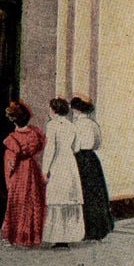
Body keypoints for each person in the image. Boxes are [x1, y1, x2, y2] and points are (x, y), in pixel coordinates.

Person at [0, 101, 46, 247]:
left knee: (18, 201)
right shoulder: (35, 133)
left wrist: (9, 177)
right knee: (34, 200)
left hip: (20, 171)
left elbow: (11, 162)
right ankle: (33, 236)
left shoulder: (13, 138)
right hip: (32, 168)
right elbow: (40, 146)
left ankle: (19, 237)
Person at [70, 95, 115, 240]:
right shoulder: (93, 124)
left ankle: (85, 229)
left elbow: (75, 146)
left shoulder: (75, 125)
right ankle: (99, 229)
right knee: (95, 194)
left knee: (82, 193)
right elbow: (98, 144)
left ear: (76, 110)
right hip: (92, 159)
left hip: (80, 160)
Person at [41, 97, 84, 246]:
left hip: (58, 163)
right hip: (70, 163)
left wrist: (45, 170)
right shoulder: (72, 126)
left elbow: (50, 149)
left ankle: (58, 237)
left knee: (57, 199)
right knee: (68, 199)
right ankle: (68, 237)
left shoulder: (52, 125)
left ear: (54, 110)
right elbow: (76, 147)